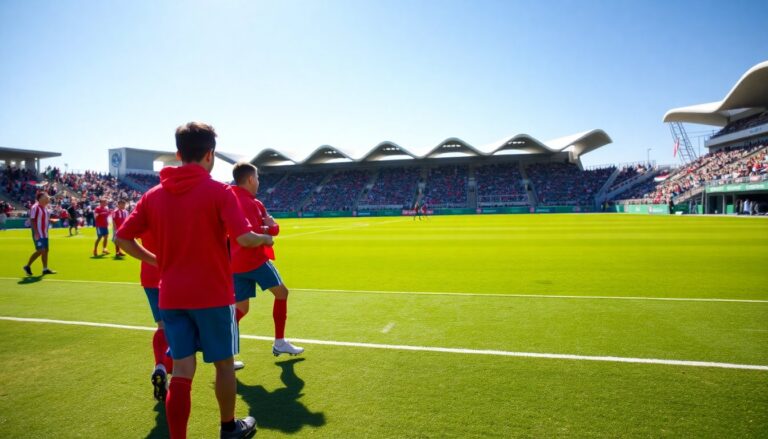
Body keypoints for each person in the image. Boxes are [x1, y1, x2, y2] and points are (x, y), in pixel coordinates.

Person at [116, 122, 272, 439]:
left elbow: (122, 239)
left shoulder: (152, 196)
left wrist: (155, 260)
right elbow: (242, 237)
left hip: (171, 296)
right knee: (224, 364)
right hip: (213, 295)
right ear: (210, 155)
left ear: (178, 154)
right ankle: (228, 428)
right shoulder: (220, 192)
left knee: (183, 371)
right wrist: (265, 236)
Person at [230, 162, 304, 360]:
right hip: (254, 259)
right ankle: (279, 342)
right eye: (258, 178)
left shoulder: (229, 199)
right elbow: (262, 230)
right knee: (282, 293)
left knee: (241, 308)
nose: (259, 182)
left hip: (234, 264)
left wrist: (269, 228)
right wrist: (270, 229)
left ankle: (223, 348)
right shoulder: (251, 203)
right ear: (250, 179)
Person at [23, 192, 57, 276]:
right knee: (41, 250)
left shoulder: (45, 208)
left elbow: (43, 218)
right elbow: (32, 220)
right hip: (38, 233)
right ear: (41, 197)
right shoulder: (35, 207)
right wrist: (36, 233)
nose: (48, 198)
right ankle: (27, 266)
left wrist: (50, 220)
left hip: (45, 233)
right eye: (46, 196)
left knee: (46, 250)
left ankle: (45, 269)